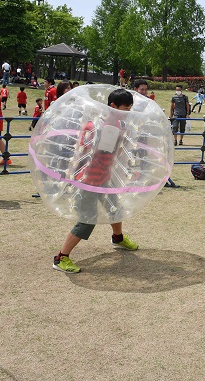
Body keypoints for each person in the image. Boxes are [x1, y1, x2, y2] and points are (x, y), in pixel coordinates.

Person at [52, 88, 140, 273]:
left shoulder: (114, 125)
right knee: (86, 220)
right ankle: (61, 257)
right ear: (113, 106)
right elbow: (97, 152)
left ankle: (117, 237)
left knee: (115, 209)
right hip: (89, 182)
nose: (129, 112)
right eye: (126, 108)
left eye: (130, 108)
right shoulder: (103, 127)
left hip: (103, 178)